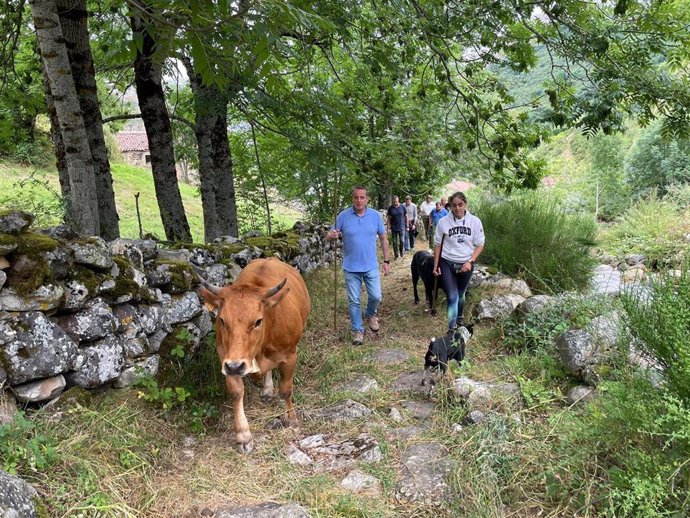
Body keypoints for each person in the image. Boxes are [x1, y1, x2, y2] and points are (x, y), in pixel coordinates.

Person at [328, 186, 392, 345]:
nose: (359, 200)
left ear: (367, 199)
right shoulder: (343, 216)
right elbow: (329, 235)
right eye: (356, 197)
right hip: (350, 267)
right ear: (352, 199)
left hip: (371, 265)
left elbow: (384, 238)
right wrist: (332, 235)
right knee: (354, 300)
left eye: (362, 197)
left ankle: (371, 313)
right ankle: (357, 330)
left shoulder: (375, 216)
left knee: (376, 296)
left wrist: (386, 261)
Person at [433, 191, 484, 333]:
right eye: (454, 205)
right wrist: (436, 265)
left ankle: (460, 318)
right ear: (450, 207)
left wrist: (470, 261)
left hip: (466, 263)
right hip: (447, 262)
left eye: (460, 205)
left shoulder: (475, 221)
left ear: (465, 204)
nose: (457, 208)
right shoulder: (443, 222)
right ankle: (451, 327)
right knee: (452, 295)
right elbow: (437, 245)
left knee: (461, 294)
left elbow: (480, 244)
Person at [386, 195, 407, 259]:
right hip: (394, 227)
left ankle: (401, 253)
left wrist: (407, 225)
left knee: (402, 241)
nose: (395, 203)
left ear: (398, 201)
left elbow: (406, 216)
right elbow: (388, 219)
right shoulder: (390, 208)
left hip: (402, 227)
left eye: (396, 202)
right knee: (394, 242)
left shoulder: (402, 207)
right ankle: (396, 255)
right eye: (394, 202)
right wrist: (388, 228)